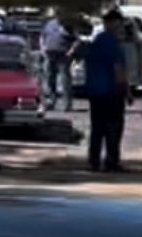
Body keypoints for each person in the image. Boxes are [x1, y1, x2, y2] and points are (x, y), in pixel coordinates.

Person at [82, 11, 127, 172]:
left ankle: (94, 160)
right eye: (118, 24)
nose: (120, 27)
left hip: (95, 91)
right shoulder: (113, 45)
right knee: (113, 127)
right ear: (111, 24)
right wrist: (125, 90)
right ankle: (111, 160)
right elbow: (118, 69)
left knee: (97, 127)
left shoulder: (96, 43)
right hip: (111, 91)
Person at [39, 10, 74, 114]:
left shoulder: (68, 26)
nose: (59, 16)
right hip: (49, 54)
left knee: (64, 80)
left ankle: (67, 104)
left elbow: (76, 40)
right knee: (49, 78)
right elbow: (42, 36)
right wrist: (42, 47)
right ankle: (51, 102)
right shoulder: (49, 24)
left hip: (63, 55)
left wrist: (71, 51)